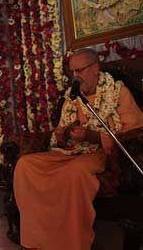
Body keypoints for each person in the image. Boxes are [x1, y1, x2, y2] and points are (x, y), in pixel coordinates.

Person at [13, 48, 143, 250]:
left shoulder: (119, 92)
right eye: (72, 72)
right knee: (25, 165)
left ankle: (72, 243)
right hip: (71, 151)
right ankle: (39, 240)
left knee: (76, 172)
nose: (75, 76)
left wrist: (93, 136)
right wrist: (66, 134)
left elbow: (135, 131)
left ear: (95, 68)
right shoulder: (72, 97)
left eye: (80, 70)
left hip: (102, 153)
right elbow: (58, 133)